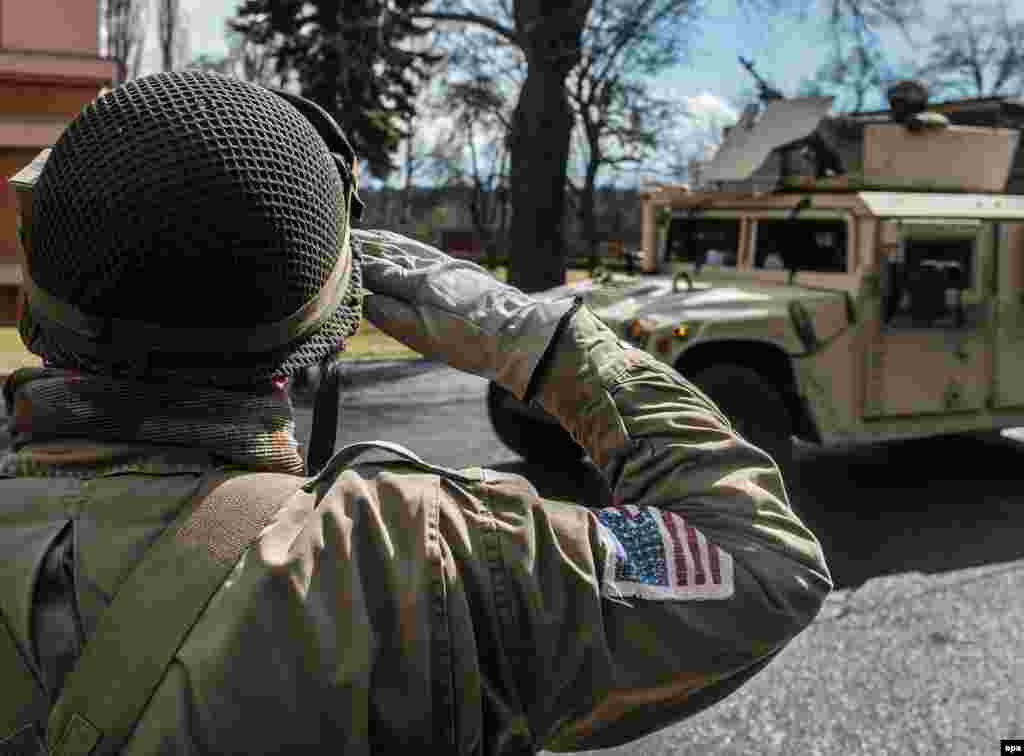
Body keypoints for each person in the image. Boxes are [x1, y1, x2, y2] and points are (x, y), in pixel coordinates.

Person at [0, 72, 831, 755]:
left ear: (38, 301)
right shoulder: (419, 555)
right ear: (326, 327)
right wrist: (538, 337)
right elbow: (765, 562)